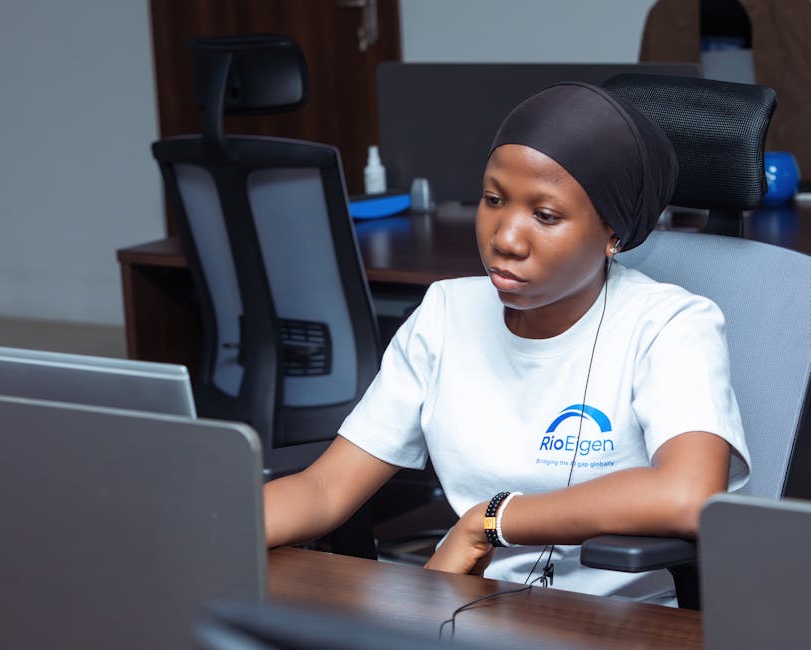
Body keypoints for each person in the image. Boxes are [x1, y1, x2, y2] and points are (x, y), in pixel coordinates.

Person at [262, 82, 750, 604]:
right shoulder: (446, 314)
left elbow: (688, 493)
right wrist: (200, 527)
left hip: (621, 625)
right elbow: (326, 488)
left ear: (614, 233)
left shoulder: (671, 324)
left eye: (545, 215)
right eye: (494, 200)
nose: (505, 238)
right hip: (469, 616)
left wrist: (489, 521)